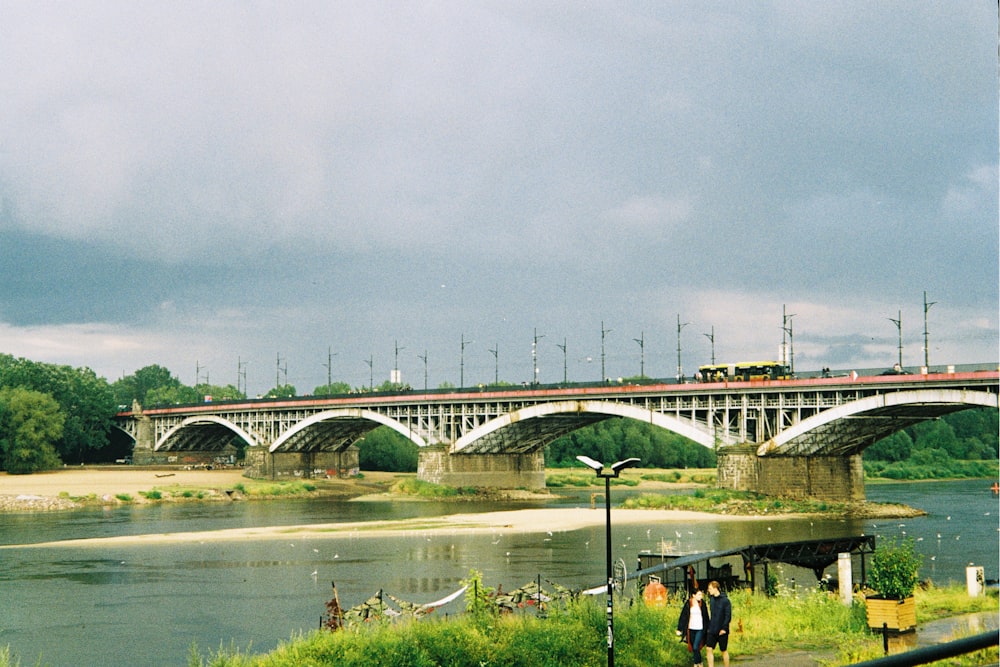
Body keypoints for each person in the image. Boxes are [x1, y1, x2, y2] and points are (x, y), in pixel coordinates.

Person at [676, 588, 708, 667]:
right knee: (694, 647)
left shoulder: (702, 604)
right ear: (694, 595)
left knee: (696, 646)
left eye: (701, 594)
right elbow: (683, 616)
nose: (701, 596)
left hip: (700, 628)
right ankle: (699, 662)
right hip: (691, 628)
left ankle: (696, 663)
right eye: (699, 594)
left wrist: (708, 627)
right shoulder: (688, 603)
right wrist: (679, 629)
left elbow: (706, 616)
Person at [705, 580, 732, 667]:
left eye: (710, 589)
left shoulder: (725, 601)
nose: (709, 590)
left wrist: (724, 628)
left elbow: (728, 616)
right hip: (712, 629)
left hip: (722, 630)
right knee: (709, 648)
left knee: (723, 650)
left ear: (715, 588)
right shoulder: (711, 599)